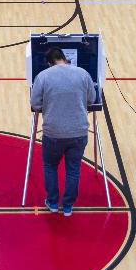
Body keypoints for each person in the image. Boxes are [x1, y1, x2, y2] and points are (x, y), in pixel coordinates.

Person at [30, 47, 95, 216]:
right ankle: (67, 207)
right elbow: (92, 99)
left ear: (49, 63)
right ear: (64, 58)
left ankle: (52, 203)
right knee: (73, 169)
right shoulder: (82, 73)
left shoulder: (43, 76)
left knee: (50, 166)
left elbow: (35, 104)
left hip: (53, 133)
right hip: (78, 131)